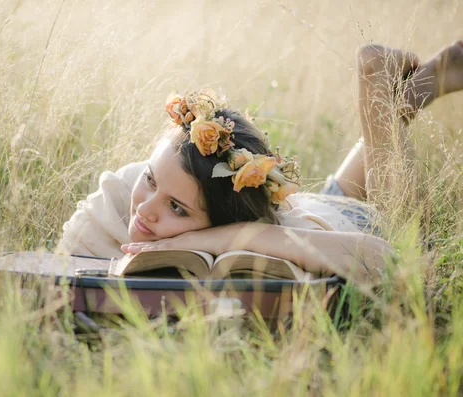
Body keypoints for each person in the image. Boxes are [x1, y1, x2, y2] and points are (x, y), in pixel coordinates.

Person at [57, 41, 463, 284]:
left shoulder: (272, 237)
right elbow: (59, 263)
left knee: (416, 253)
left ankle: (376, 86)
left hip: (349, 225)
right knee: (336, 192)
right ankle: (401, 101)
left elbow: (383, 262)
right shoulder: (136, 192)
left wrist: (211, 240)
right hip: (324, 205)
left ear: (228, 220)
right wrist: (174, 216)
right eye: (150, 181)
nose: (145, 208)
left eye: (177, 208)